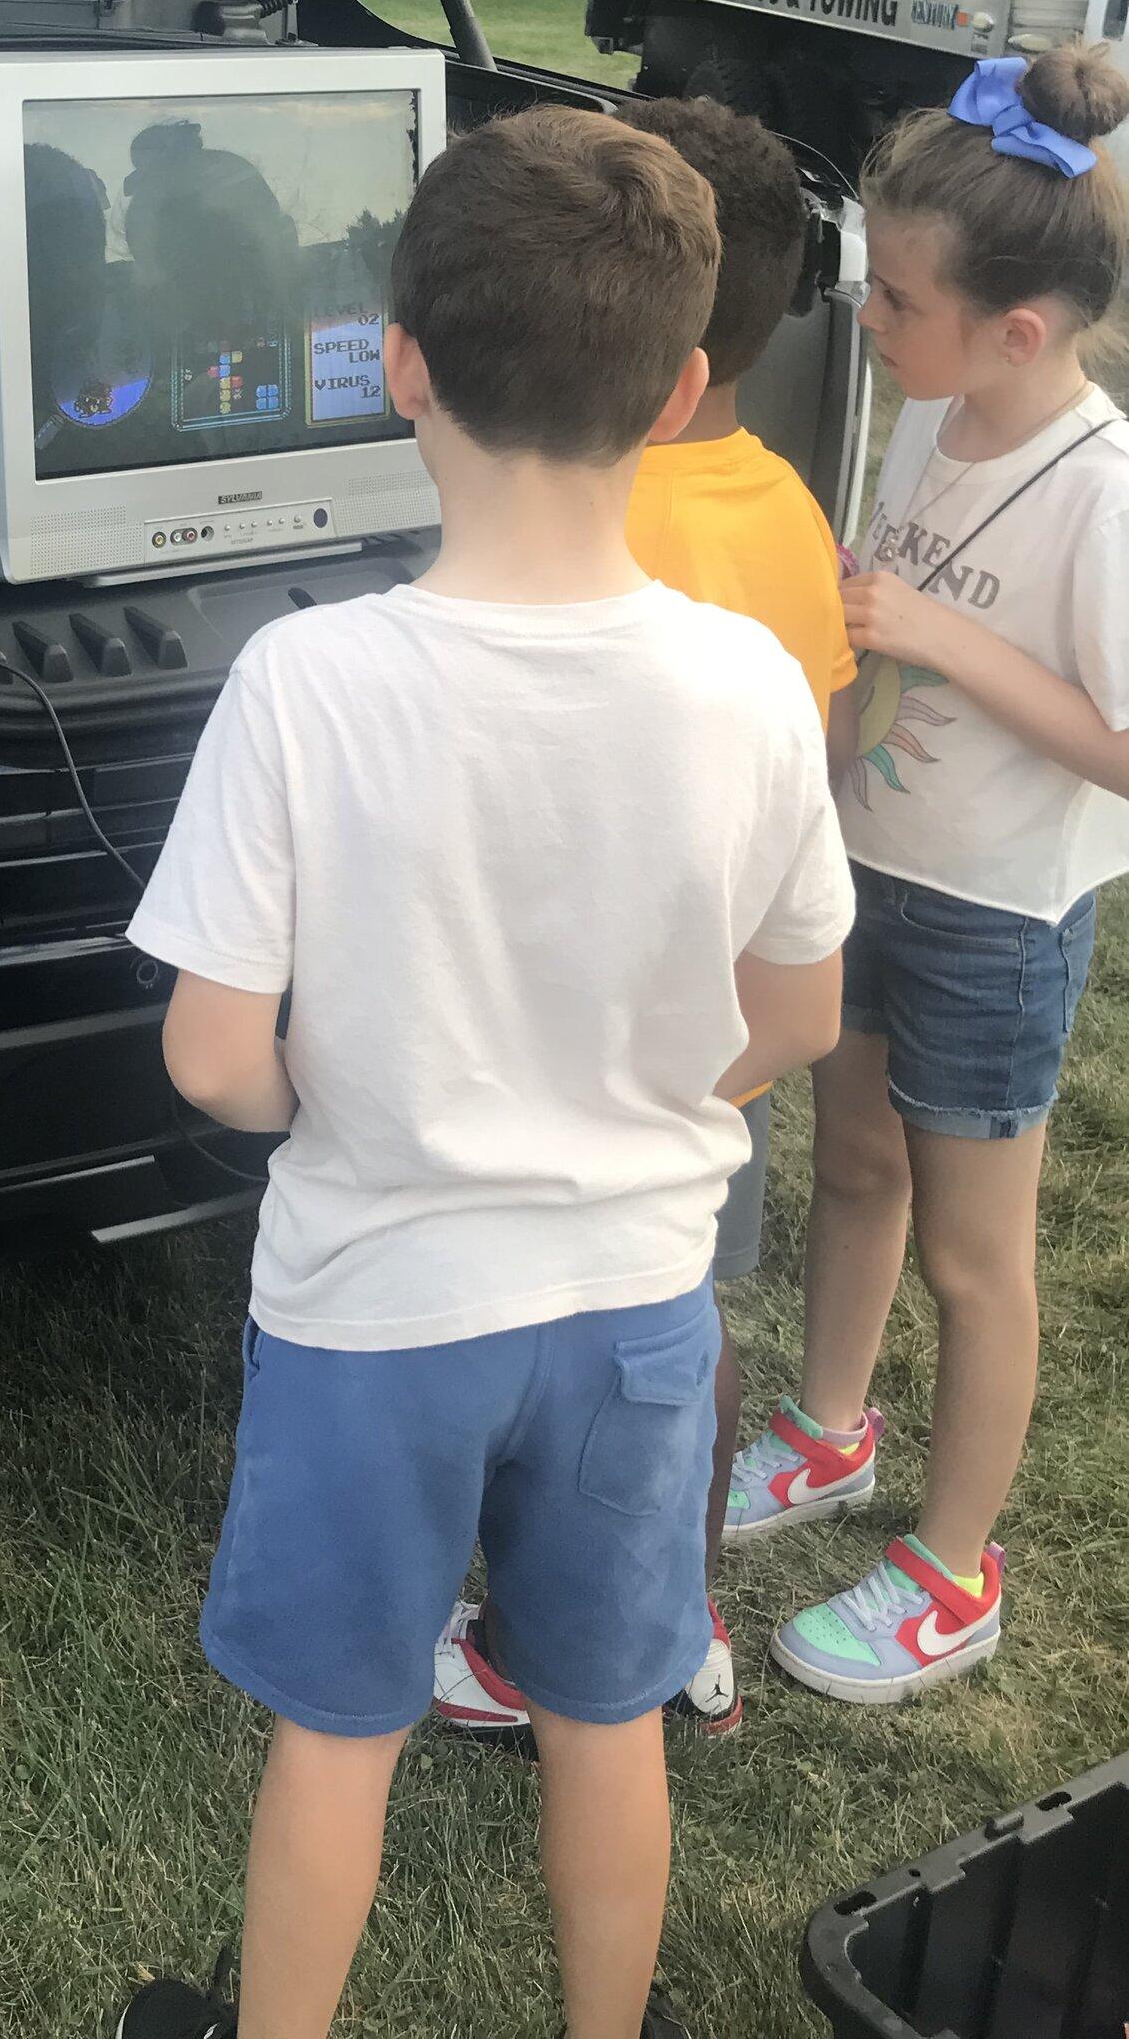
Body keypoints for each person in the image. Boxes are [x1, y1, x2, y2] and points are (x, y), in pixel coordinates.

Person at [117, 107, 853, 2039]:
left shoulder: (305, 679)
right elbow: (796, 1022)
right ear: (686, 385)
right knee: (607, 1713)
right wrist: (661, 1107)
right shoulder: (749, 688)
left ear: (397, 366)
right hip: (634, 1306)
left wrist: (340, 1105)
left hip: (376, 1306)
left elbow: (213, 1060)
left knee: (338, 1732)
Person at [432, 99, 857, 1748]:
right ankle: (677, 1633)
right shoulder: (783, 509)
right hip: (725, 1037)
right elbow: (805, 772)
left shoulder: (623, 531)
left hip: (580, 1047)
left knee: (545, 1361)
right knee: (681, 1342)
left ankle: (552, 1638)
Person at [731, 44, 1129, 1702]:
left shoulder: (1097, 489)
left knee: (976, 1257)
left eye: (893, 302)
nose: (868, 327)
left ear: (1017, 329)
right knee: (852, 1169)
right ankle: (829, 1430)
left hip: (993, 918)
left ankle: (951, 1569)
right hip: (870, 872)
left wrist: (939, 636)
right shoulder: (929, 422)